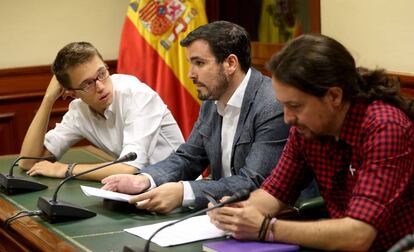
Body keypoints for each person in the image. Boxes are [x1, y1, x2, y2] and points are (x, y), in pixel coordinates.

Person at [208, 33, 414, 251]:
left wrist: (267, 228)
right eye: (283, 105)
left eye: (295, 106)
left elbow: (359, 235)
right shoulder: (306, 130)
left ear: (334, 96)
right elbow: (274, 192)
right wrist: (236, 213)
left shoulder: (385, 127)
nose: (287, 118)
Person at [101, 21, 292, 213]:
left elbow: (254, 181)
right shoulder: (212, 99)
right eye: (190, 63)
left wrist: (183, 192)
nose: (190, 74)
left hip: (276, 219)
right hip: (221, 212)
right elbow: (189, 157)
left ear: (230, 63)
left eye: (199, 63)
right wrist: (143, 180)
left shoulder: (271, 105)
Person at [19, 42, 185, 181]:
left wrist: (66, 170)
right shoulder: (79, 111)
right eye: (87, 84)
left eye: (102, 73)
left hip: (179, 189)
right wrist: (48, 100)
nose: (100, 86)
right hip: (139, 190)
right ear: (71, 92)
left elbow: (130, 168)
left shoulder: (137, 95)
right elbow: (27, 162)